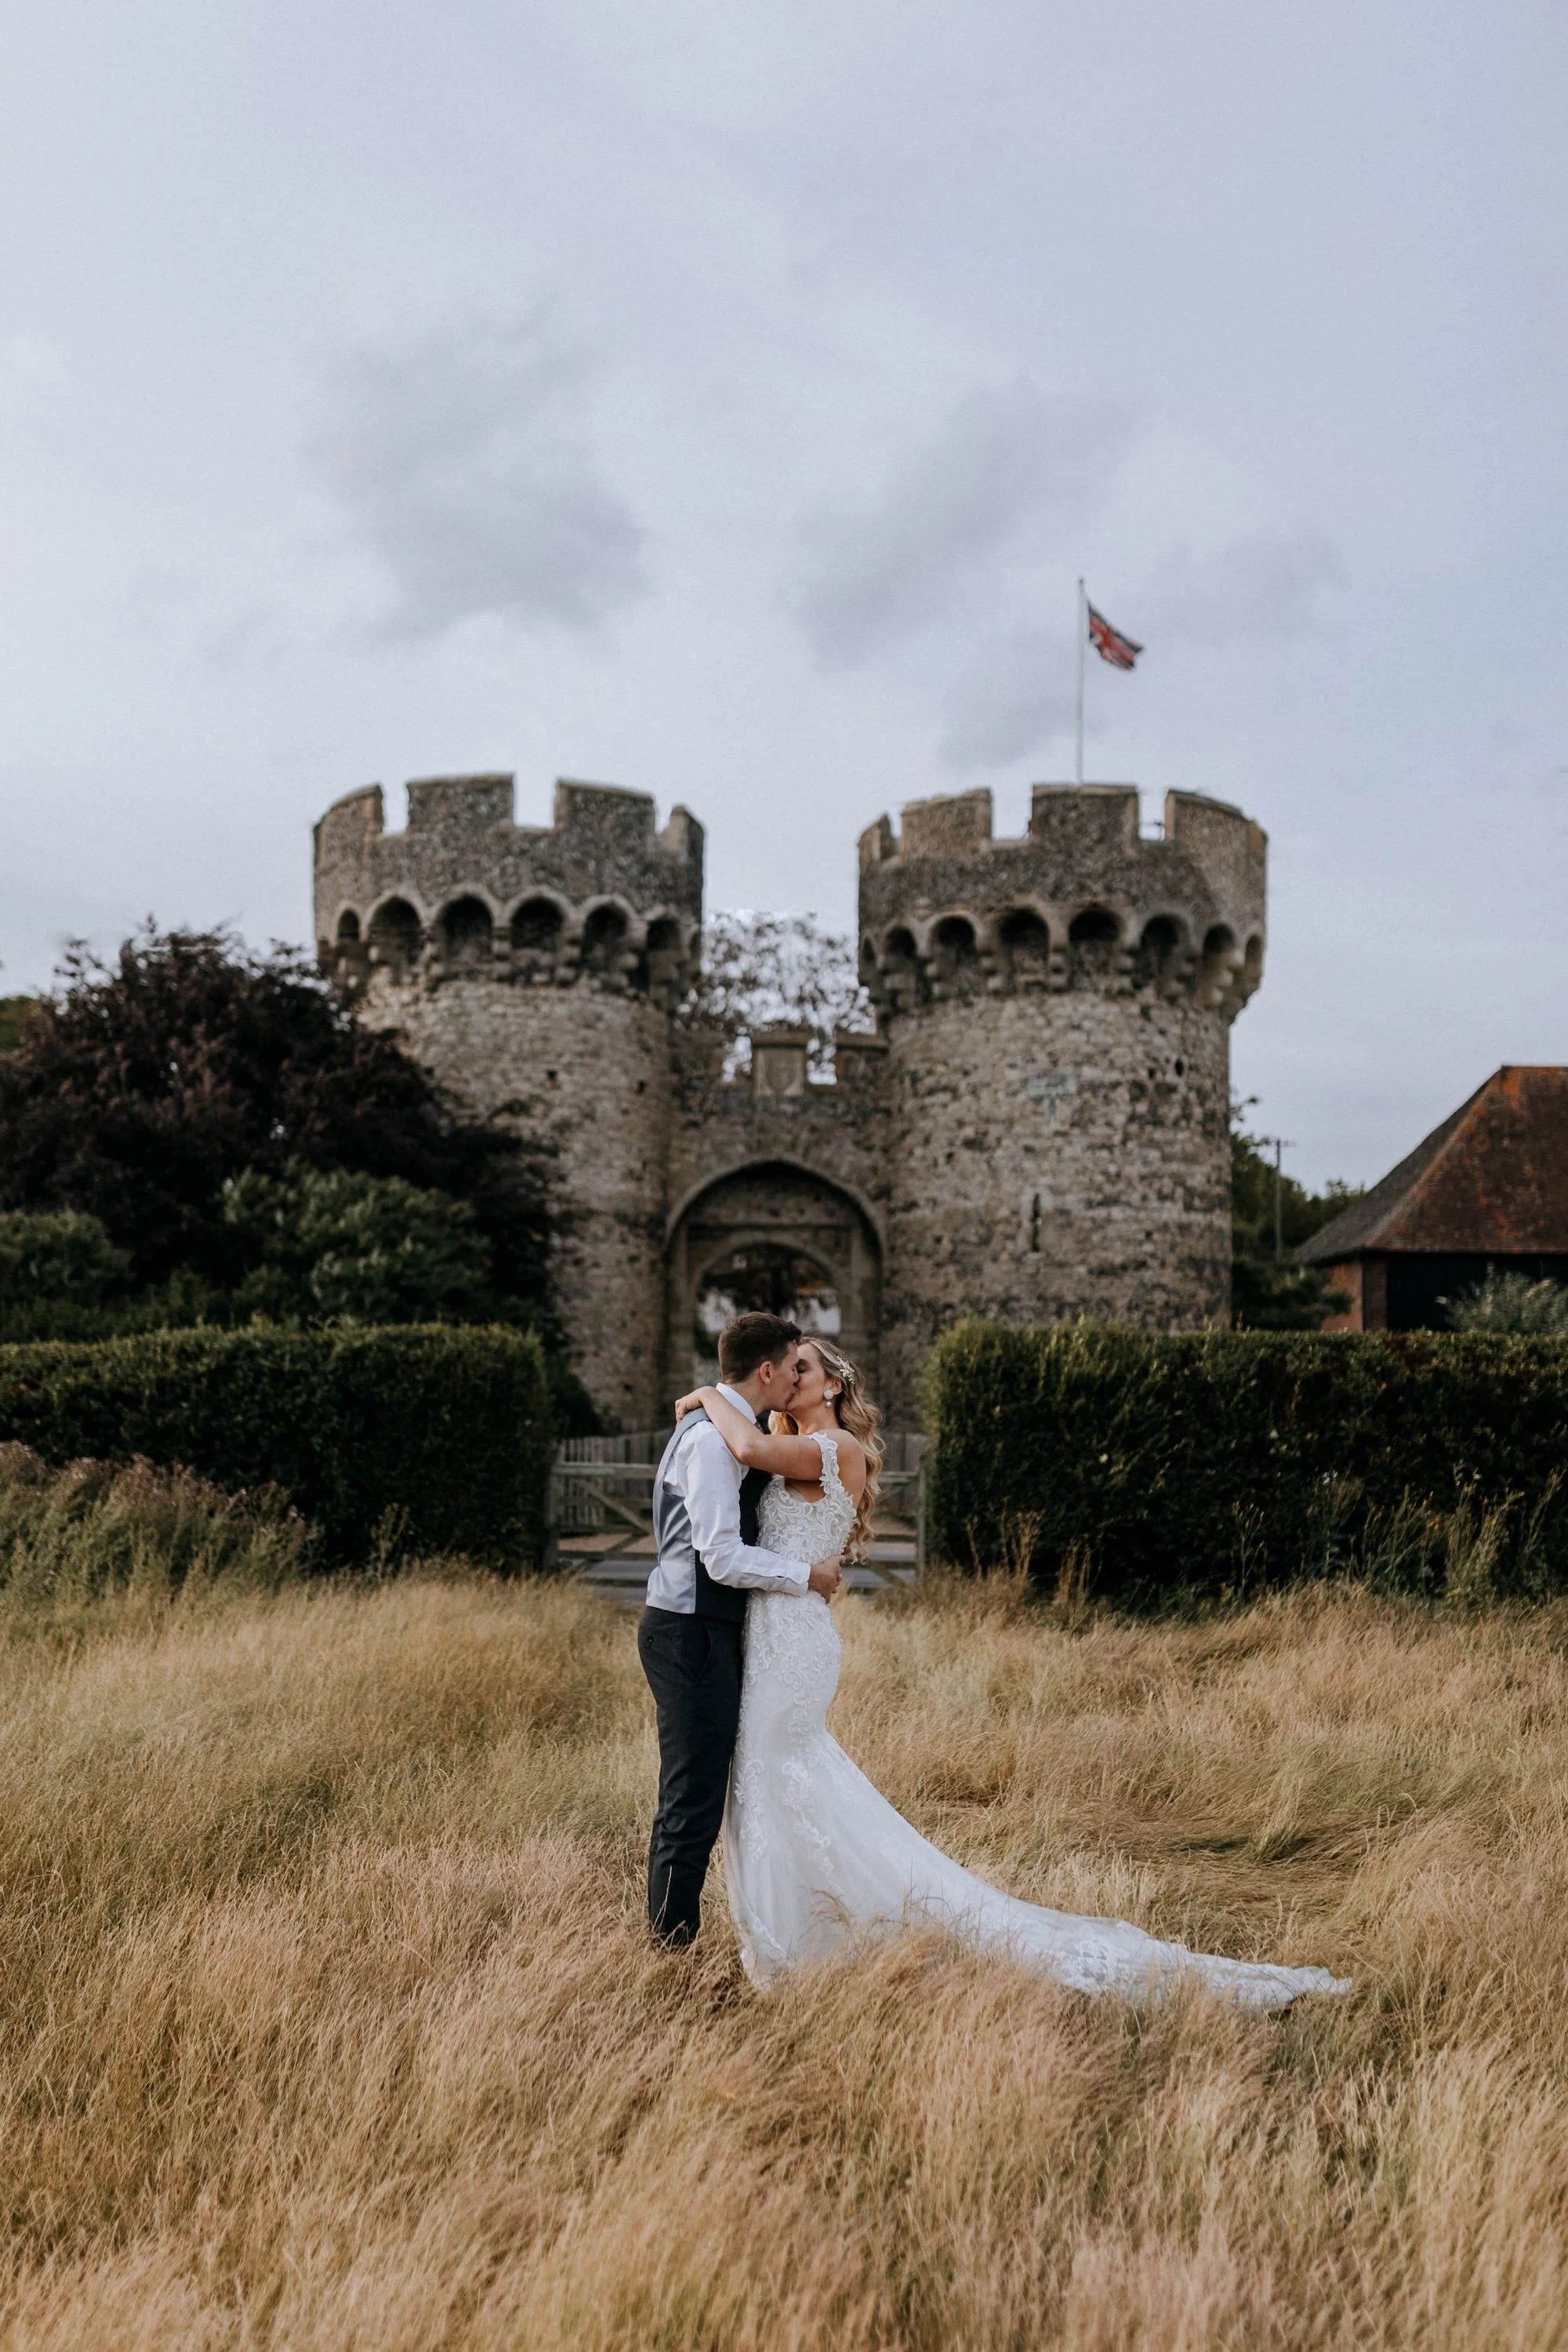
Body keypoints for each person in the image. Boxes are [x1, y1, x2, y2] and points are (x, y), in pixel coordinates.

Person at [677, 1338, 1352, 2011]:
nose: (790, 1379)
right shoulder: (789, 1444)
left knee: (776, 1778)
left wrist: (710, 1395)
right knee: (774, 1788)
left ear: (830, 1387)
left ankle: (812, 1949)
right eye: (787, 1368)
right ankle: (811, 1943)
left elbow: (749, 1449)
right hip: (770, 1637)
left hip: (792, 1646)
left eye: (804, 1369)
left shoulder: (834, 1451)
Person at [638, 1311, 845, 1947]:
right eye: (792, 1367)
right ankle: (670, 1948)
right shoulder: (710, 1441)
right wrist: (805, 1574)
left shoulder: (729, 1430)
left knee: (701, 1792)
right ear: (767, 1370)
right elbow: (720, 1557)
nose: (793, 1380)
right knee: (693, 1799)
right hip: (690, 1630)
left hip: (706, 1629)